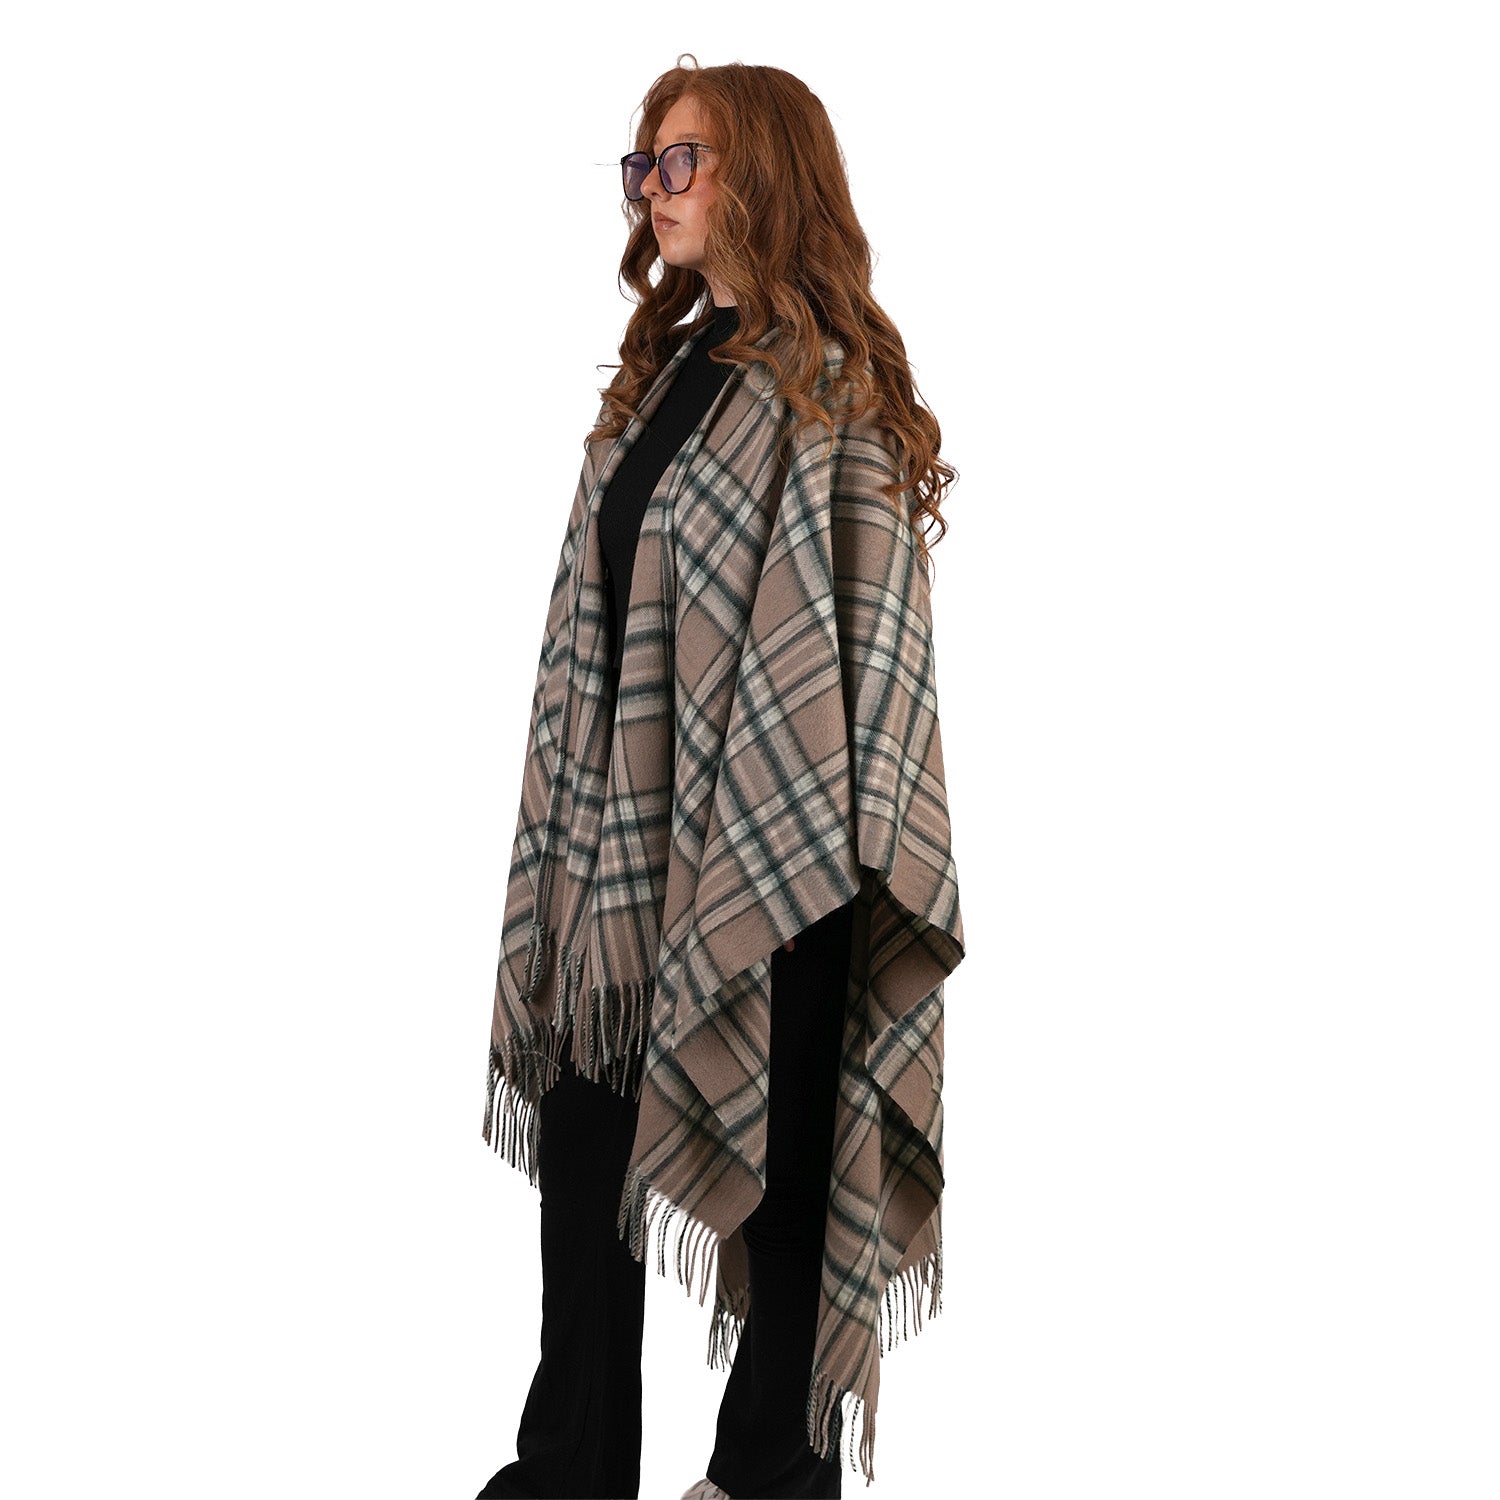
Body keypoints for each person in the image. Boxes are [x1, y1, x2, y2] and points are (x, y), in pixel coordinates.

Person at [475, 56, 965, 1500]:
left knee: (790, 1164)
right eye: (645, 166)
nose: (653, 189)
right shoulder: (662, 382)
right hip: (626, 860)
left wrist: (818, 836)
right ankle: (569, 1470)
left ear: (762, 174)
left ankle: (767, 1475)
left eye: (680, 161)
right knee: (588, 1158)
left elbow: (864, 650)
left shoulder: (832, 394)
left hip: (786, 843)